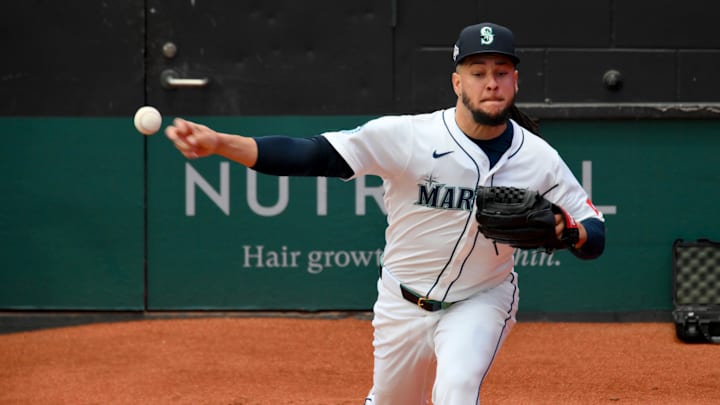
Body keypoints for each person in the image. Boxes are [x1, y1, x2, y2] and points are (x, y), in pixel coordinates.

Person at [165, 22, 605, 405]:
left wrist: (570, 234)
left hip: (482, 298)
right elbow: (310, 155)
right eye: (478, 73)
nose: (491, 82)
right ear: (457, 83)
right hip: (402, 302)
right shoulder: (408, 136)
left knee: (457, 389)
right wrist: (221, 143)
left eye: (501, 72)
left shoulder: (538, 158)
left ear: (515, 82)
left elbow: (594, 231)